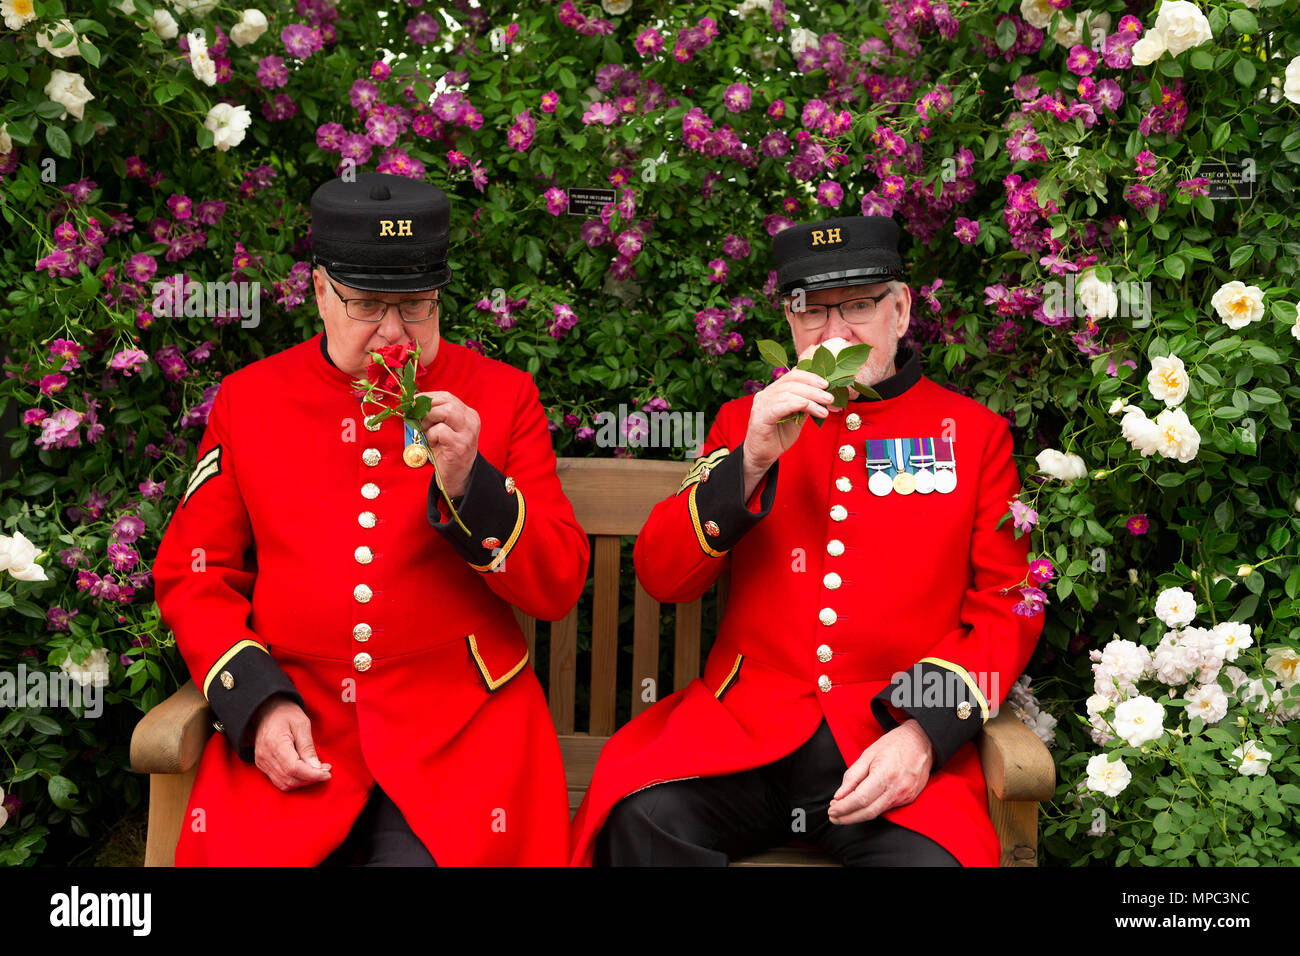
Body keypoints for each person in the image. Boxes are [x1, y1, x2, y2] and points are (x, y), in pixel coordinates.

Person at [569, 215, 1044, 866]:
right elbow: (662, 575)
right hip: (743, 734)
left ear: (900, 309)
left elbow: (1008, 608)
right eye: (811, 312)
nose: (835, 332)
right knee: (640, 820)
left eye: (857, 305)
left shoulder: (974, 434)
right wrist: (751, 461)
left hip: (883, 738)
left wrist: (926, 735)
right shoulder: (747, 423)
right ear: (790, 325)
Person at [152, 172, 588, 865]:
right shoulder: (250, 400)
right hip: (302, 715)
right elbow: (191, 575)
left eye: (415, 306)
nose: (393, 332)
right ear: (320, 291)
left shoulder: (504, 398)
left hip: (462, 727)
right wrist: (258, 702)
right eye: (367, 305)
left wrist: (473, 482)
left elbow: (558, 583)